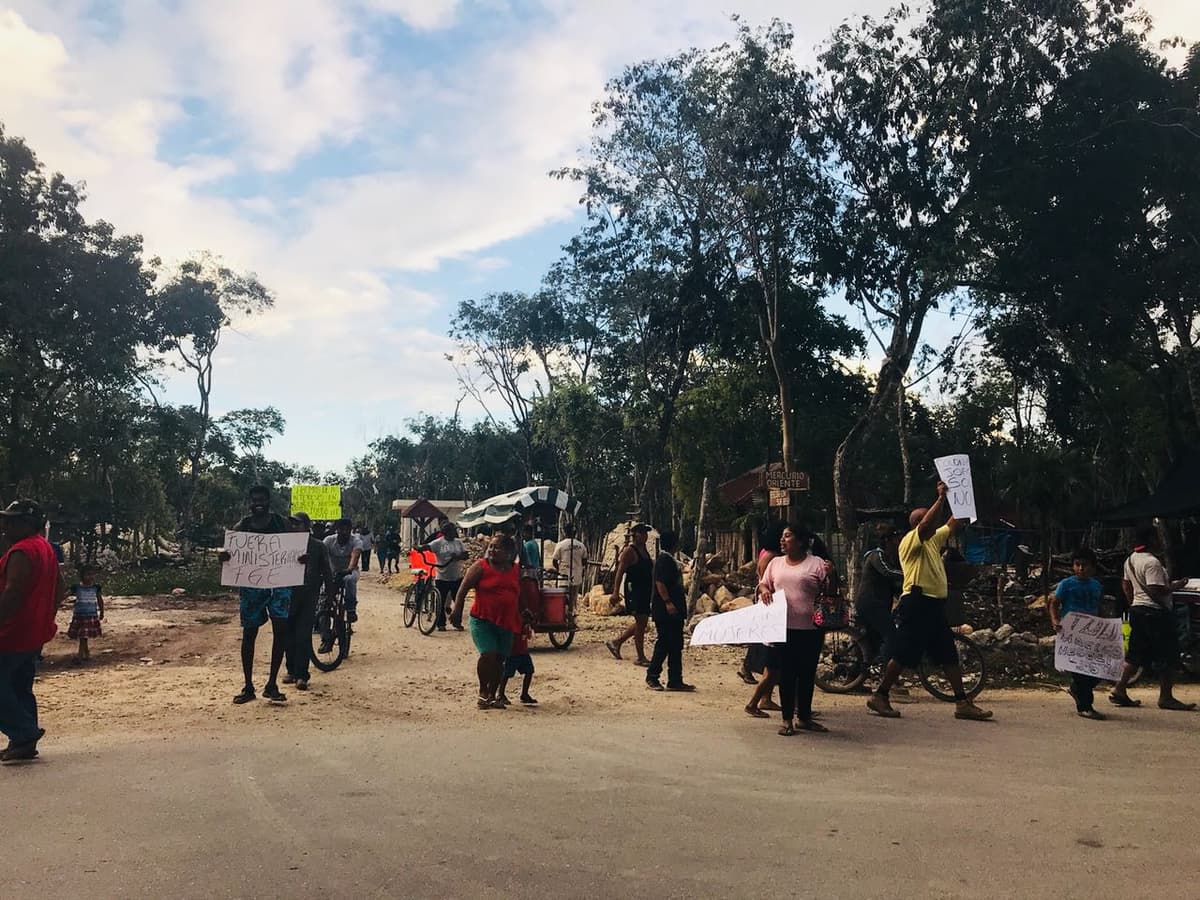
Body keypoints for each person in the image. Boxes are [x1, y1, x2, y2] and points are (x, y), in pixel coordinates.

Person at [867, 482, 993, 721]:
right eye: (928, 518)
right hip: (917, 603)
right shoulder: (910, 541)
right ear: (917, 524)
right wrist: (940, 499)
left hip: (933, 605)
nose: (934, 522)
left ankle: (962, 702)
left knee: (947, 652)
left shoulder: (934, 541)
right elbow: (927, 525)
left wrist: (962, 496)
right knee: (904, 652)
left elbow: (952, 523)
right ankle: (880, 695)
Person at [0, 499, 64, 763]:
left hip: (11, 633)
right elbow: (59, 588)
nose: (6, 525)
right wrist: (44, 617)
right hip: (33, 633)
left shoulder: (22, 551)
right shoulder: (45, 548)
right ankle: (22, 742)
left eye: (12, 520)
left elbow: (12, 593)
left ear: (27, 524)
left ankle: (24, 733)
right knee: (19, 686)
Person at [1109, 526, 1195, 711]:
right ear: (1151, 541)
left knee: (1135, 654)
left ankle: (1120, 688)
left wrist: (1133, 602)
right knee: (1168, 653)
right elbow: (1156, 589)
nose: (1159, 542)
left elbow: (1125, 584)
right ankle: (1166, 697)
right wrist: (1177, 585)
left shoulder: (1130, 560)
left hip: (1138, 612)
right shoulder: (1152, 562)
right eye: (1156, 538)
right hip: (1155, 613)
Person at [221, 485, 292, 705]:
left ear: (268, 501)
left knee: (280, 632)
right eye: (254, 500)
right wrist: (224, 558)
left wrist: (301, 560)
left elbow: (296, 549)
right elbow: (230, 555)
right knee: (249, 634)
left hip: (279, 585)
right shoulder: (241, 527)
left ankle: (271, 684)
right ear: (249, 502)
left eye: (261, 499)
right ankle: (248, 686)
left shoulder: (282, 523)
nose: (257, 503)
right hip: (252, 588)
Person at [758, 525, 829, 735]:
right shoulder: (775, 564)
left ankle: (804, 717)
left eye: (787, 536)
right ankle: (787, 719)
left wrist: (831, 576)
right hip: (783, 628)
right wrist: (764, 592)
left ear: (800, 541)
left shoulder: (816, 564)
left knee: (807, 674)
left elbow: (830, 591)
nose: (782, 540)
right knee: (787, 674)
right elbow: (764, 584)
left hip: (811, 628)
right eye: (782, 536)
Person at [450, 534, 524, 709]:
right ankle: (483, 692)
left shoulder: (515, 569)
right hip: (482, 620)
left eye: (497, 547)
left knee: (500, 659)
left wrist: (525, 612)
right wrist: (457, 609)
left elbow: (518, 594)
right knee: (488, 654)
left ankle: (492, 694)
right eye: (490, 546)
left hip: (506, 622)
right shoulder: (480, 567)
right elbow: (463, 588)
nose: (492, 550)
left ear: (508, 552)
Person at [1048, 548, 1106, 720]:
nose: (1081, 568)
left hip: (1092, 632)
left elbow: (1099, 606)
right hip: (1072, 632)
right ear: (1073, 566)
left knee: (1097, 670)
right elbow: (1054, 603)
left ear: (1093, 568)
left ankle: (1076, 689)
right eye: (1077, 565)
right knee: (1081, 671)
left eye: (1085, 565)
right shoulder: (1066, 584)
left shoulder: (1097, 586)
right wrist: (1055, 620)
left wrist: (1105, 625)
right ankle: (1085, 706)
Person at [283, 513, 333, 691]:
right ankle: (290, 669)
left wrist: (330, 594)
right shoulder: (285, 545)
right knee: (287, 634)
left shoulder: (318, 546)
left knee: (303, 635)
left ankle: (302, 674)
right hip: (288, 595)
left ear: (306, 526)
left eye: (298, 524)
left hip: (308, 596)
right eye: (293, 524)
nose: (294, 527)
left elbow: (327, 570)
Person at [646, 530, 695, 693]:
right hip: (665, 610)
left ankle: (675, 679)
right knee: (664, 643)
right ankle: (652, 676)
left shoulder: (669, 559)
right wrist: (668, 602)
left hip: (673, 609)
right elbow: (660, 583)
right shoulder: (664, 560)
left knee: (675, 644)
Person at [606, 523, 654, 666]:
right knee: (641, 621)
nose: (645, 536)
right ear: (635, 535)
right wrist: (615, 592)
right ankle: (640, 657)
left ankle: (616, 642)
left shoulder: (644, 550)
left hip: (645, 590)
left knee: (643, 622)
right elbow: (620, 572)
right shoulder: (629, 551)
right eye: (642, 533)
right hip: (634, 590)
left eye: (646, 533)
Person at [854, 523, 903, 664]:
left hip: (879, 603)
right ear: (888, 540)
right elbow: (888, 572)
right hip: (870, 602)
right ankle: (883, 667)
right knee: (891, 635)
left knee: (871, 641)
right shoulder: (876, 555)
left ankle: (857, 674)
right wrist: (910, 575)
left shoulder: (891, 558)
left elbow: (893, 586)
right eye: (897, 540)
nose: (899, 543)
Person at [424, 522, 469, 631]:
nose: (455, 532)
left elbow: (466, 555)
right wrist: (419, 548)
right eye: (453, 530)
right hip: (442, 577)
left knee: (459, 600)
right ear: (447, 532)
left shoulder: (458, 542)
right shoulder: (438, 543)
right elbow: (427, 546)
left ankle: (457, 622)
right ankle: (441, 624)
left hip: (456, 577)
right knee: (440, 602)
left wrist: (458, 556)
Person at [324, 519, 362, 624]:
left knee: (349, 580)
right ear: (337, 530)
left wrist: (349, 569)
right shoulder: (328, 540)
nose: (344, 532)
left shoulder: (356, 541)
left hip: (350, 571)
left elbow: (355, 555)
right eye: (341, 529)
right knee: (323, 591)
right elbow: (323, 556)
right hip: (332, 572)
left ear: (351, 530)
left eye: (347, 529)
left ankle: (351, 610)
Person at [67, 563, 104, 662]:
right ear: (82, 576)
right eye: (87, 574)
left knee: (83, 635)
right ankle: (86, 652)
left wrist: (102, 612)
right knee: (83, 635)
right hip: (79, 615)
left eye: (92, 574)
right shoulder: (77, 587)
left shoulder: (96, 588)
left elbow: (100, 600)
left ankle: (80, 655)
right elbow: (65, 595)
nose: (90, 577)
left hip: (90, 615)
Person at [497, 623, 537, 707]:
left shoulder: (525, 626)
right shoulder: (514, 626)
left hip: (523, 652)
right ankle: (500, 694)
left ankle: (524, 694)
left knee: (529, 671)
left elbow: (529, 637)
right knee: (506, 674)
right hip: (513, 653)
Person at [551, 523, 588, 608]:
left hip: (564, 575)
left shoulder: (560, 544)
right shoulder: (581, 545)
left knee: (563, 598)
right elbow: (585, 561)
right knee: (573, 598)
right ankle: (572, 612)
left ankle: (564, 613)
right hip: (577, 575)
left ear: (564, 532)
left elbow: (554, 561)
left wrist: (559, 570)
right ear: (575, 533)